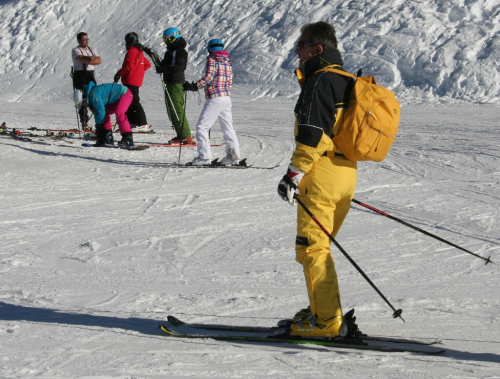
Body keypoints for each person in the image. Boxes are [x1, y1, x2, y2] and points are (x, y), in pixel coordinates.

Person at [277, 21, 357, 337]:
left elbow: (313, 135)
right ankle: (321, 310)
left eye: (302, 44)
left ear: (317, 49)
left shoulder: (320, 79)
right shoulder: (347, 79)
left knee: (311, 248)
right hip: (346, 175)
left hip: (320, 175)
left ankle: (325, 322)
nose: (297, 50)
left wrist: (293, 175)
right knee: (319, 246)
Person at [184, 39, 241, 166]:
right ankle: (233, 155)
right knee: (228, 128)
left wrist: (194, 86)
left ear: (210, 49)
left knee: (202, 127)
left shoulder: (212, 60)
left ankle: (204, 157)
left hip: (215, 97)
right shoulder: (228, 62)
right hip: (226, 97)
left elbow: (208, 78)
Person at [157, 27, 191, 144]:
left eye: (166, 39)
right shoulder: (170, 52)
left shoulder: (180, 51)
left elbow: (179, 67)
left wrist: (164, 69)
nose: (165, 42)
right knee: (171, 110)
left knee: (177, 109)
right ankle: (180, 134)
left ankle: (186, 135)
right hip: (169, 82)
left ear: (173, 38)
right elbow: (164, 65)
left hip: (176, 83)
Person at [114, 32, 151, 134]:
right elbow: (147, 64)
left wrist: (119, 74)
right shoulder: (139, 51)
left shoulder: (132, 51)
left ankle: (141, 124)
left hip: (130, 80)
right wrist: (138, 71)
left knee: (133, 101)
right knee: (129, 101)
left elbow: (128, 66)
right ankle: (133, 123)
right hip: (135, 80)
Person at [83, 82, 135, 148]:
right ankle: (108, 137)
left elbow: (100, 111)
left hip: (125, 93)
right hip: (115, 98)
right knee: (105, 112)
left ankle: (128, 138)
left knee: (119, 113)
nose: (83, 105)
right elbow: (98, 113)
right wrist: (101, 132)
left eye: (82, 103)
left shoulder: (93, 94)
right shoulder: (90, 96)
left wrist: (100, 128)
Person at [71, 32, 101, 129]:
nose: (87, 41)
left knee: (93, 96)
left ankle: (99, 120)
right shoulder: (76, 50)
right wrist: (91, 59)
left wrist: (89, 59)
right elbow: (82, 59)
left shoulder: (91, 49)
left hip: (90, 75)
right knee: (81, 98)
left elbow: (99, 61)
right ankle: (84, 121)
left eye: (87, 39)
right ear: (79, 40)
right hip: (80, 75)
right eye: (84, 39)